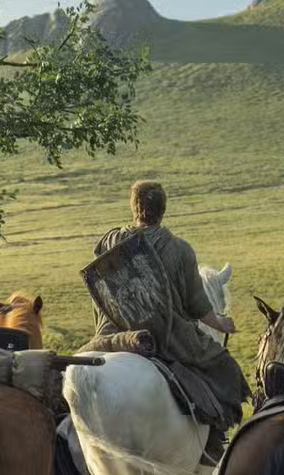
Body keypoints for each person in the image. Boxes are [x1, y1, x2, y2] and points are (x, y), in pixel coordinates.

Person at [89, 180, 250, 460]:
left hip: (113, 332)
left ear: (134, 208)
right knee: (225, 369)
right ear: (163, 210)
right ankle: (213, 442)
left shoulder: (110, 241)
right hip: (167, 336)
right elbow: (197, 306)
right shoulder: (179, 250)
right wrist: (222, 324)